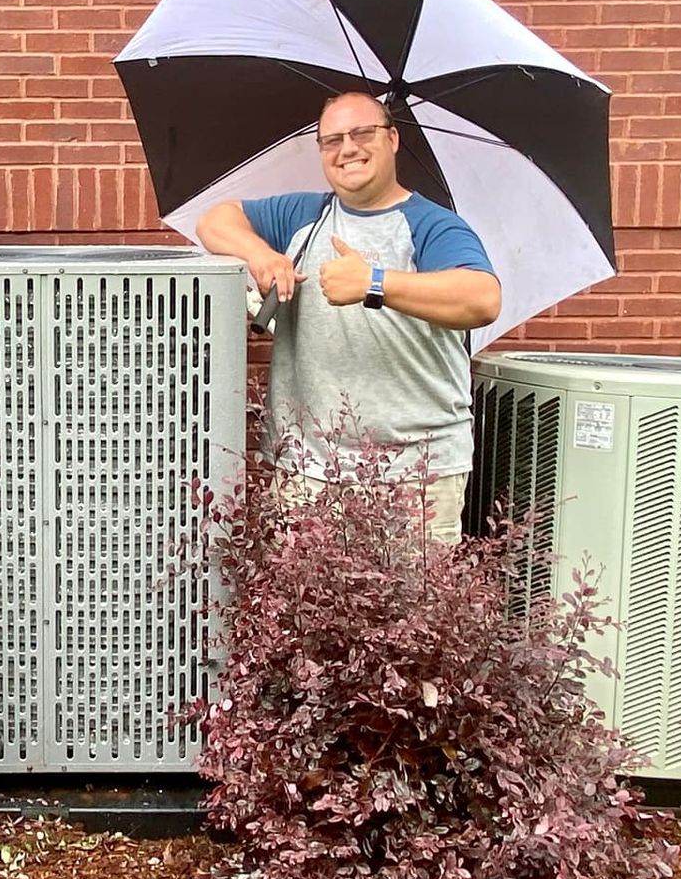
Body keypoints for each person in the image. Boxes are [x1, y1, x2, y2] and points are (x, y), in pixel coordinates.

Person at [194, 90, 502, 544]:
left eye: (362, 133)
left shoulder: (432, 226)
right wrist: (261, 256)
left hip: (414, 474)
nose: (347, 148)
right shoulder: (303, 215)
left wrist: (375, 283)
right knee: (304, 613)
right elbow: (215, 220)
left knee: (412, 614)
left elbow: (482, 299)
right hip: (307, 470)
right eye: (331, 139)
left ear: (393, 139)